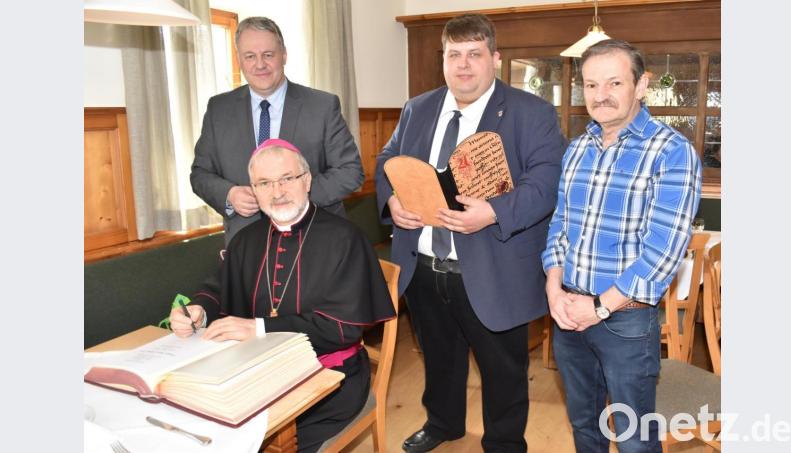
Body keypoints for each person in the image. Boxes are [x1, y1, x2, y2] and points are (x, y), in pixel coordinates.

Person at [375, 14, 566, 453]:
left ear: (495, 59)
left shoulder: (530, 112)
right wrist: (392, 200)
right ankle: (443, 424)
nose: (463, 65)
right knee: (439, 358)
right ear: (442, 60)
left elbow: (547, 182)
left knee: (503, 370)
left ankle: (502, 442)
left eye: (474, 55)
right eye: (454, 55)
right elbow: (388, 158)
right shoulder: (416, 108)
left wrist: (494, 212)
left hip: (494, 266)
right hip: (423, 265)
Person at [172, 139, 395, 453]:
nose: (276, 192)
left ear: (306, 181)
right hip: (257, 373)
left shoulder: (345, 239)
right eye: (264, 183)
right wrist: (199, 309)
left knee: (264, 438)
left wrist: (259, 328)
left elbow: (342, 329)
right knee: (199, 424)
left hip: (329, 379)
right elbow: (219, 288)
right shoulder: (246, 240)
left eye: (286, 179)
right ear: (253, 189)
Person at [541, 39, 702, 453]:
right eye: (591, 85)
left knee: (634, 438)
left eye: (614, 82)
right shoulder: (576, 150)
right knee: (584, 428)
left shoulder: (672, 151)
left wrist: (598, 307)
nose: (601, 95)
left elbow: (663, 252)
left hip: (625, 322)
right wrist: (554, 288)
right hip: (568, 314)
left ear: (641, 84)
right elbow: (560, 225)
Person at [191, 16, 364, 244]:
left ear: (284, 55)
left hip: (314, 239)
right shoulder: (218, 109)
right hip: (246, 244)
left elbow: (350, 171)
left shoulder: (322, 106)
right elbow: (200, 174)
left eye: (268, 55)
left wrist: (295, 195)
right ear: (239, 60)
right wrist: (229, 194)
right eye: (250, 56)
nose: (260, 64)